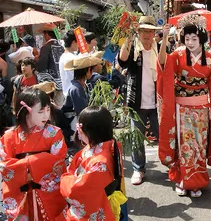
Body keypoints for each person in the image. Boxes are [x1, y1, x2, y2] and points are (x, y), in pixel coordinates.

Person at [157, 14, 211, 198]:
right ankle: (183, 180)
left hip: (202, 109)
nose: (190, 42)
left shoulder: (209, 58)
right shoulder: (177, 55)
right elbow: (162, 64)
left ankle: (197, 180)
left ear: (201, 39)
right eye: (187, 39)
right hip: (181, 108)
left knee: (199, 145)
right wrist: (165, 38)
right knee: (184, 145)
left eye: (194, 39)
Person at [0, 88, 67, 219]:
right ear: (26, 112)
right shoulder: (9, 137)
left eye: (48, 110)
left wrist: (27, 164)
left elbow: (58, 160)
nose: (46, 115)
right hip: (22, 193)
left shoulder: (54, 133)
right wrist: (34, 163)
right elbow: (4, 165)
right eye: (41, 111)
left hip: (47, 192)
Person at [57, 106, 128, 220]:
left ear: (90, 131)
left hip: (95, 206)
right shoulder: (110, 147)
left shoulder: (100, 163)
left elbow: (76, 191)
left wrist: (65, 178)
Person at [118, 15, 161, 185]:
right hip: (136, 101)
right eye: (143, 31)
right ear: (138, 32)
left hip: (157, 102)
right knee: (137, 138)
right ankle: (138, 168)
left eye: (150, 31)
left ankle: (173, 165)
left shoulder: (160, 50)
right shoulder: (134, 51)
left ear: (154, 34)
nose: (147, 35)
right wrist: (128, 36)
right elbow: (122, 61)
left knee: (164, 136)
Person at [61, 55, 102, 145]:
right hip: (74, 124)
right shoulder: (76, 89)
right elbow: (81, 111)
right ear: (87, 70)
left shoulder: (82, 85)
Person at [37, 24, 65, 108]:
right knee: (60, 105)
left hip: (51, 83)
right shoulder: (61, 47)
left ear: (47, 35)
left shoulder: (45, 47)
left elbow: (41, 67)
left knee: (50, 107)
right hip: (62, 81)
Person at [59, 30, 78, 97]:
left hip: (66, 92)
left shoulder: (62, 56)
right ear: (73, 42)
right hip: (74, 93)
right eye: (77, 42)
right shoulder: (72, 57)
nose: (78, 45)